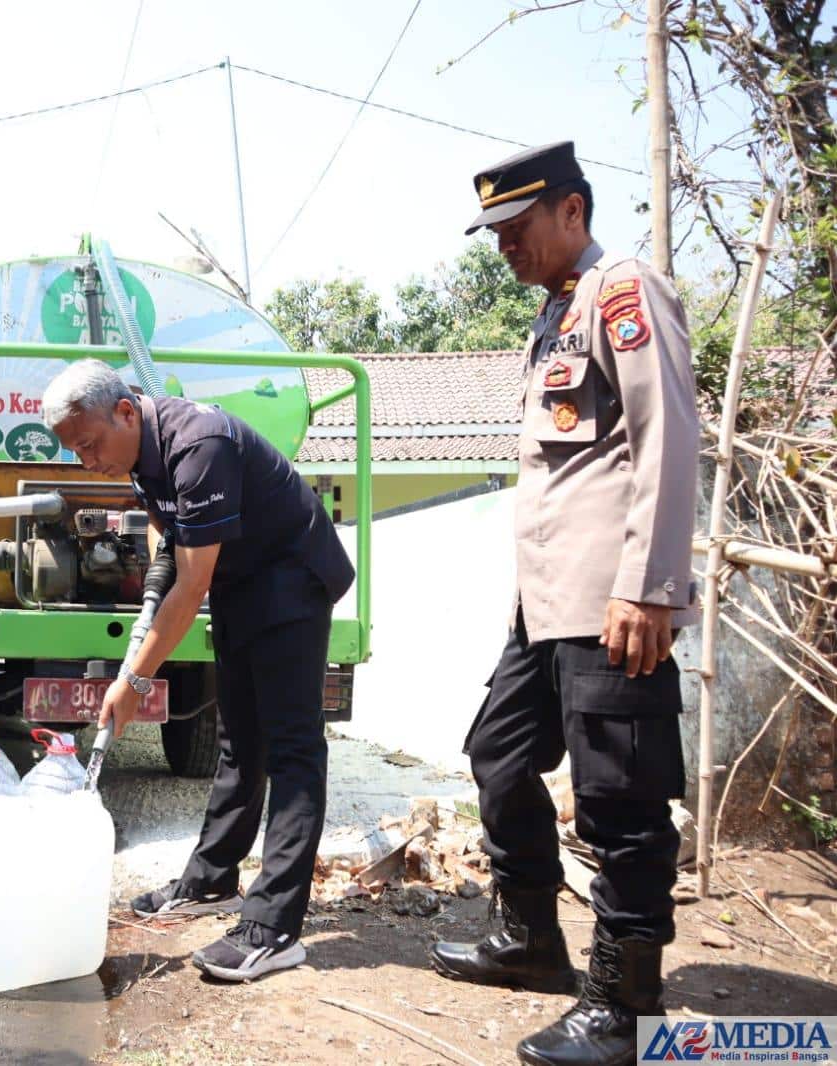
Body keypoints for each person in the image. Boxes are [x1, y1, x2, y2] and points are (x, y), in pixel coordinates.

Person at [429, 142, 699, 1066]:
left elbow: (667, 434)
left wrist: (649, 585)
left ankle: (628, 1008)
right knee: (495, 755)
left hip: (611, 600)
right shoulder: (555, 314)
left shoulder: (624, 292)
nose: (502, 246)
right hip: (542, 608)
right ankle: (528, 938)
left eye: (515, 227)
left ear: (571, 212)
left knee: (618, 801)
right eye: (493, 233)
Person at [41, 359, 354, 982]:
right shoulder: (138, 456)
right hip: (243, 582)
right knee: (240, 740)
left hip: (293, 579)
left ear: (126, 410)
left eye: (90, 444)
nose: (86, 461)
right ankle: (213, 880)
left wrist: (133, 680)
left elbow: (192, 584)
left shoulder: (199, 445)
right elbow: (169, 543)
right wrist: (150, 595)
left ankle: (274, 928)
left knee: (292, 748)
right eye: (75, 450)